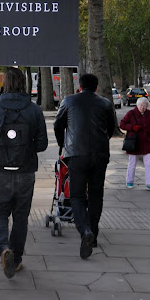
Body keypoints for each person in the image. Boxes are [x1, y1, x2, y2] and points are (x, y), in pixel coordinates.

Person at [0, 68, 47, 278]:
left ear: (4, 83)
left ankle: (3, 249)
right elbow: (43, 144)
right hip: (25, 171)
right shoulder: (34, 110)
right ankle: (15, 260)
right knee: (21, 217)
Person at [54, 73, 114, 259]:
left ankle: (84, 230)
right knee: (96, 195)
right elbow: (111, 128)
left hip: (76, 154)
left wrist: (61, 144)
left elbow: (58, 124)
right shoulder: (105, 103)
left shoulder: (69, 101)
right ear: (96, 87)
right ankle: (93, 235)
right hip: (100, 155)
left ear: (79, 86)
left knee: (77, 196)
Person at [120, 97, 150, 192]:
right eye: (141, 105)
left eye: (144, 106)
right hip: (135, 142)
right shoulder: (131, 113)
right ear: (137, 105)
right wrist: (132, 127)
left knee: (149, 163)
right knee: (132, 162)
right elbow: (122, 124)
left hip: (147, 142)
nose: (142, 108)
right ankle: (129, 181)